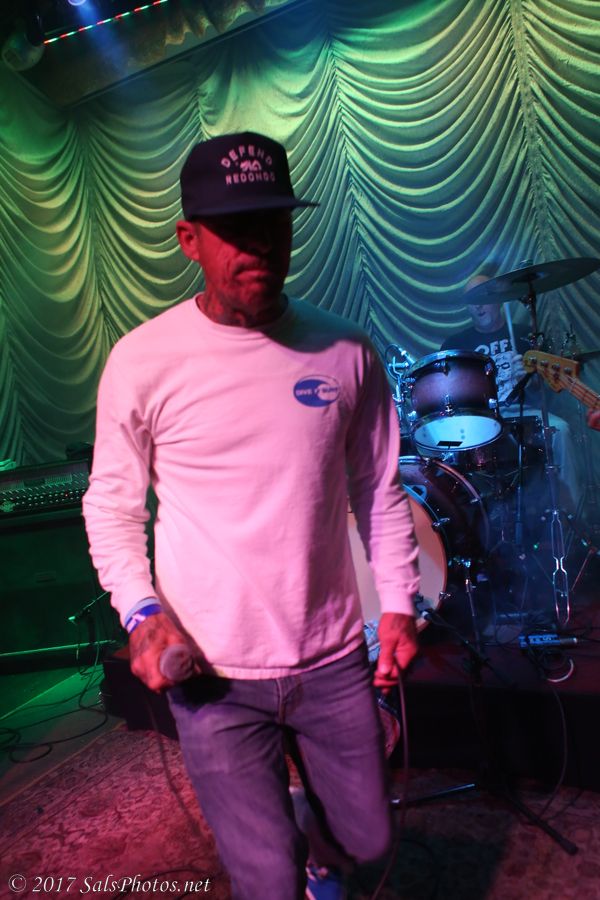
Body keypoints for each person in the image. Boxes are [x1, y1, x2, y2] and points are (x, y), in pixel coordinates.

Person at [83, 131, 420, 900]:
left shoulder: (346, 351)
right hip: (212, 673)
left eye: (273, 224)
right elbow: (111, 505)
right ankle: (285, 851)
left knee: (368, 840)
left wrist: (399, 601)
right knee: (266, 881)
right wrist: (140, 612)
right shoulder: (142, 360)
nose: (259, 246)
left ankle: (317, 837)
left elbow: (378, 488)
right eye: (235, 230)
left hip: (331, 656)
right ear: (189, 240)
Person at [439, 270, 580, 513]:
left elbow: (547, 393)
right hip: (482, 420)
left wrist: (528, 379)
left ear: (499, 301)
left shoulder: (524, 336)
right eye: (472, 301)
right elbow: (449, 395)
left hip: (526, 412)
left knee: (562, 431)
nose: (478, 307)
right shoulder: (455, 345)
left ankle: (572, 514)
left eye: (484, 298)